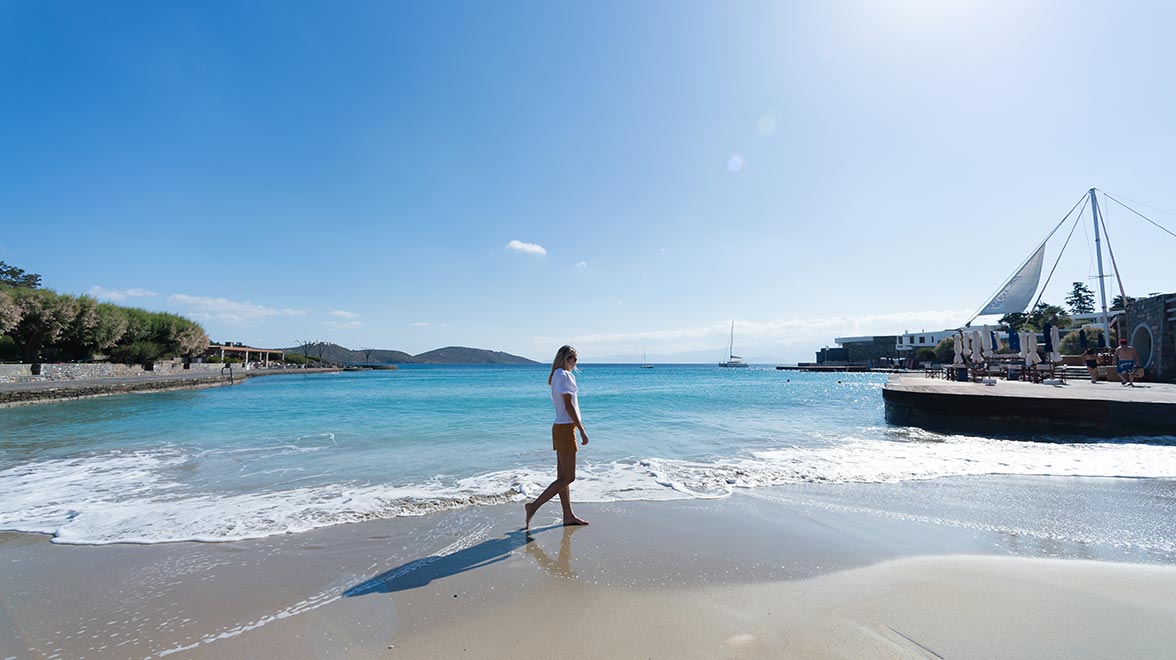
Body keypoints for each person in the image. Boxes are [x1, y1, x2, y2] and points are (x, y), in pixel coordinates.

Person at [525, 345, 589, 528]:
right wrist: (582, 429)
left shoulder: (556, 375)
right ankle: (533, 506)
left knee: (562, 476)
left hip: (560, 427)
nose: (575, 363)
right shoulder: (564, 375)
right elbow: (569, 405)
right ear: (565, 358)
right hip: (566, 428)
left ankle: (568, 515)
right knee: (568, 477)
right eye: (574, 359)